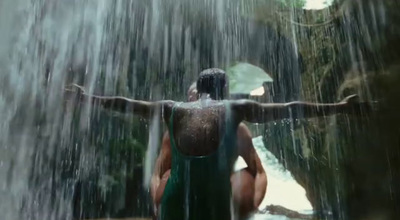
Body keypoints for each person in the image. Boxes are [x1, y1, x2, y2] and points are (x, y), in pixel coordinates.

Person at [66, 68, 371, 220]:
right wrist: (340, 107)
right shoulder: (234, 109)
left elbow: (126, 104)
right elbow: (292, 108)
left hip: (176, 202)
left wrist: (86, 98)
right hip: (214, 203)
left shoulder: (172, 108)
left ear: (197, 90)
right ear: (225, 90)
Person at [150, 82, 267, 219]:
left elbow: (259, 172)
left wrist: (254, 205)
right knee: (166, 176)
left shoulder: (237, 131)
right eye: (192, 100)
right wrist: (156, 207)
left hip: (220, 192)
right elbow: (157, 174)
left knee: (244, 177)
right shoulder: (175, 132)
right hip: (183, 194)